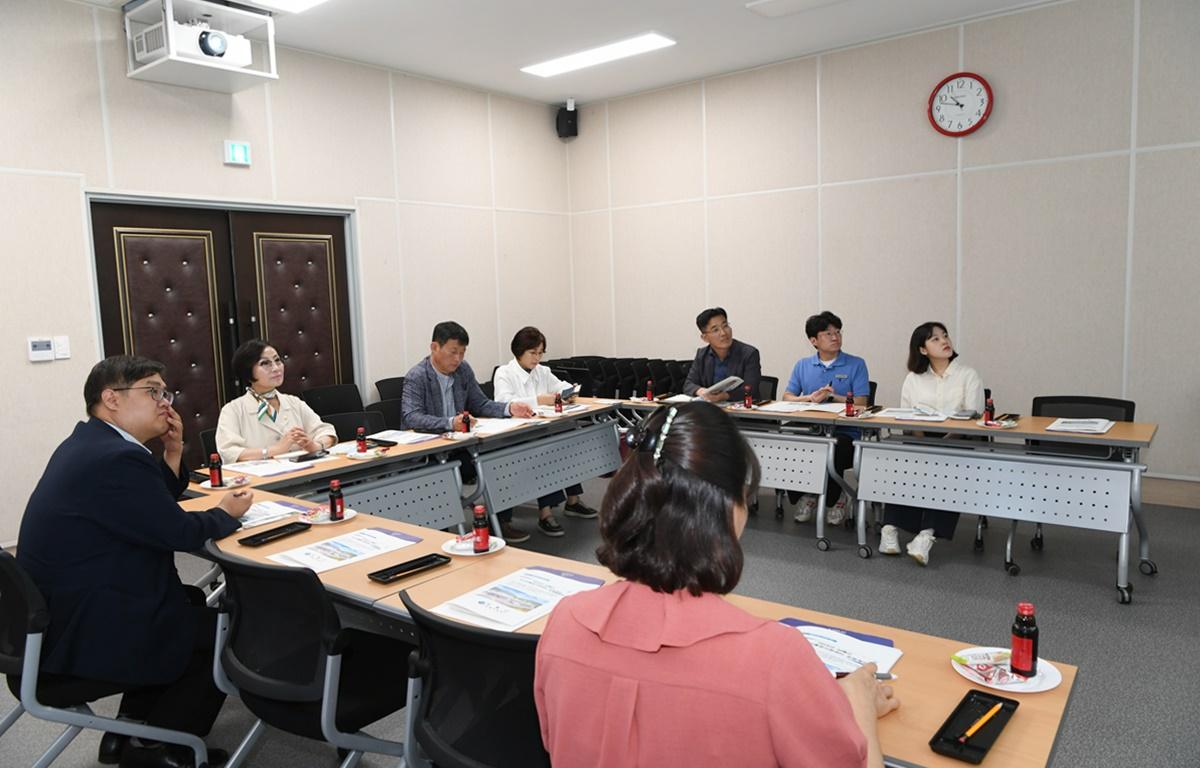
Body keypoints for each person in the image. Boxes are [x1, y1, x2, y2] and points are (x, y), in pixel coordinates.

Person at [535, 402, 897, 767]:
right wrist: (859, 706)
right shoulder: (775, 657)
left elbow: (555, 743)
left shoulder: (564, 622)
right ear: (730, 506)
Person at [17, 356, 253, 768]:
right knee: (226, 633)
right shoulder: (114, 458)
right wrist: (226, 515)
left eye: (166, 392)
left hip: (61, 615)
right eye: (153, 391)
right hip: (81, 632)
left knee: (191, 604)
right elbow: (174, 531)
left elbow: (144, 506)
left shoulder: (92, 443)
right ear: (111, 398)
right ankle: (161, 750)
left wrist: (174, 451)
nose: (165, 401)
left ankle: (130, 727)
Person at [402, 321, 536, 542]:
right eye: (453, 352)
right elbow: (411, 417)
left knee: (500, 458)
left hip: (459, 446)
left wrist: (508, 408)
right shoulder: (417, 376)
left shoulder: (462, 371)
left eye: (462, 353)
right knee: (440, 479)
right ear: (434, 347)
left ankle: (499, 523)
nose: (458, 359)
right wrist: (448, 422)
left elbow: (480, 404)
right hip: (428, 452)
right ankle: (438, 537)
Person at [880, 322, 985, 565]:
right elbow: (907, 416)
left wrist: (945, 441)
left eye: (945, 336)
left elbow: (973, 416)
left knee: (946, 469)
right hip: (920, 438)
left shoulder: (967, 374)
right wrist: (922, 441)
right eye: (935, 339)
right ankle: (890, 528)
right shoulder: (914, 378)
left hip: (957, 439)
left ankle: (926, 536)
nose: (944, 341)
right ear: (923, 350)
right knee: (899, 464)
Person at [493, 326, 599, 537]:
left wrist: (567, 393)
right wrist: (539, 400)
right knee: (547, 449)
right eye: (533, 353)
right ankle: (545, 512)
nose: (537, 358)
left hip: (542, 429)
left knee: (566, 441)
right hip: (515, 434)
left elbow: (563, 386)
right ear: (518, 351)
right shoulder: (504, 373)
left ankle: (572, 500)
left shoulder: (543, 371)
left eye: (541, 353)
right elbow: (503, 402)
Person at [782, 311, 870, 525]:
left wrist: (833, 396)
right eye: (828, 333)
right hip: (811, 428)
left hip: (846, 432)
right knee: (787, 446)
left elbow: (861, 403)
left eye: (838, 332)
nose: (835, 337)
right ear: (814, 340)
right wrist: (810, 398)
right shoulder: (802, 365)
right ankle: (809, 494)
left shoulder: (856, 364)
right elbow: (787, 397)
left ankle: (837, 497)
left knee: (833, 450)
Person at [215, 340, 337, 465]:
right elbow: (229, 452)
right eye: (265, 363)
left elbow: (326, 431)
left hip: (301, 476)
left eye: (277, 360)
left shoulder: (294, 402)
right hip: (260, 480)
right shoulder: (233, 410)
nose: (276, 368)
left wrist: (315, 445)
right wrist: (275, 450)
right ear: (247, 371)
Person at [683, 307, 762, 402]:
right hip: (711, 411)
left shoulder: (749, 353)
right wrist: (701, 391)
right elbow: (688, 384)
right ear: (705, 338)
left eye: (725, 326)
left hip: (741, 412)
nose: (724, 333)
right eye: (715, 330)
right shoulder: (702, 354)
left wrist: (725, 396)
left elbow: (751, 388)